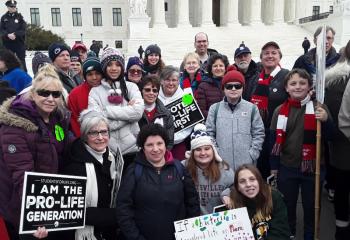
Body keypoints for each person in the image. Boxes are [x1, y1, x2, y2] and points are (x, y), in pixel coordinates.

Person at [0, 64, 71, 239]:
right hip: (21, 204)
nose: (50, 99)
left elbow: (64, 145)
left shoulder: (57, 118)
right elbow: (21, 173)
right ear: (32, 93)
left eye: (56, 94)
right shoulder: (15, 125)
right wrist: (35, 214)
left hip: (48, 198)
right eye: (44, 93)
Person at [269, 69, 331, 240]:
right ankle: (289, 234)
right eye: (293, 83)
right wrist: (274, 168)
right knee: (288, 206)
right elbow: (273, 142)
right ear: (287, 88)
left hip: (313, 168)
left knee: (311, 207)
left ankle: (310, 235)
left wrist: (326, 120)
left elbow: (331, 137)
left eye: (302, 83)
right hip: (287, 167)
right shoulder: (279, 111)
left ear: (310, 86)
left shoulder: (319, 108)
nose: (298, 87)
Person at [116, 123, 200, 240]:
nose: (155, 149)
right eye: (150, 145)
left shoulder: (179, 168)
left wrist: (189, 232)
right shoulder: (134, 171)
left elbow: (192, 202)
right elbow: (123, 209)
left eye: (159, 143)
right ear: (143, 147)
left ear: (165, 144)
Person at [63, 109, 123, 240]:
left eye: (103, 132)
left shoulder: (113, 157)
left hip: (111, 231)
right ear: (85, 135)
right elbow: (74, 211)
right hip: (89, 233)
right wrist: (117, 215)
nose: (100, 137)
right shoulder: (74, 166)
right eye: (94, 133)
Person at [88, 47, 144, 170]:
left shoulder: (131, 87)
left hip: (133, 149)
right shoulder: (95, 92)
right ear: (104, 67)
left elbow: (138, 112)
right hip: (107, 151)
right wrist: (127, 114)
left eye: (118, 64)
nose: (114, 68)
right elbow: (98, 124)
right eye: (110, 65)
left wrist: (106, 112)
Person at [206, 69, 265, 171]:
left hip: (247, 165)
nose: (233, 89)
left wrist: (253, 154)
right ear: (223, 88)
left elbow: (259, 133)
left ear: (242, 88)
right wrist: (216, 153)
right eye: (229, 86)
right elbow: (209, 133)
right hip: (221, 164)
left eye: (237, 86)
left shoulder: (252, 108)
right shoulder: (214, 109)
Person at [250, 41, 289, 179]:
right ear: (261, 58)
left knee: (276, 171)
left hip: (278, 132)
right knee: (260, 170)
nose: (270, 56)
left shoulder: (287, 76)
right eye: (266, 53)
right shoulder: (255, 79)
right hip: (257, 132)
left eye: (274, 53)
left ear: (279, 57)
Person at [226, 164, 291, 240]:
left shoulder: (273, 196)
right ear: (238, 187)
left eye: (252, 179)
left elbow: (282, 232)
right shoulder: (232, 204)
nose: (248, 184)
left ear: (259, 181)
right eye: (242, 181)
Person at [183, 123, 234, 215]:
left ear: (213, 150)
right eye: (198, 149)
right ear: (192, 152)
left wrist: (228, 194)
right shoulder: (183, 168)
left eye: (207, 149)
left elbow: (237, 186)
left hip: (220, 219)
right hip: (193, 220)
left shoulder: (224, 169)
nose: (203, 153)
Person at [328, 41, 350, 239]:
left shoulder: (334, 80)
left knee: (342, 190)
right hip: (343, 145)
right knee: (343, 189)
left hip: (340, 146)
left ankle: (341, 228)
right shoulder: (338, 81)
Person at [158, 65, 193, 160]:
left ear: (178, 81)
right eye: (167, 80)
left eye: (174, 80)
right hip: (157, 145)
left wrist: (172, 139)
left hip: (178, 145)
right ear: (161, 81)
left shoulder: (187, 98)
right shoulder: (154, 96)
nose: (171, 83)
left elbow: (189, 125)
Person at [68, 56, 104, 137]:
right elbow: (74, 120)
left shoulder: (109, 90)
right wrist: (82, 139)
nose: (94, 77)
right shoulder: (75, 94)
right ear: (84, 76)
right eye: (90, 74)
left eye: (97, 73)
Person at [138, 75, 174, 148]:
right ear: (141, 91)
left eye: (155, 90)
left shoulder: (166, 114)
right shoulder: (134, 111)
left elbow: (169, 142)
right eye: (147, 90)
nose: (151, 93)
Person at [196, 53, 229, 118]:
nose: (218, 68)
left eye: (221, 65)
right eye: (215, 66)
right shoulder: (203, 86)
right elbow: (201, 110)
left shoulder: (231, 84)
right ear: (210, 68)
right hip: (211, 122)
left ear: (225, 68)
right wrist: (218, 116)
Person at [0, 0, 27, 72]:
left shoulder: (20, 17)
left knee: (21, 61)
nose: (13, 8)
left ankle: (25, 78)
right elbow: (1, 30)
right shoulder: (3, 18)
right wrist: (8, 35)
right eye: (11, 7)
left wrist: (15, 34)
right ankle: (7, 78)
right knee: (7, 61)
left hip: (19, 43)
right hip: (8, 44)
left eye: (14, 6)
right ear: (8, 7)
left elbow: (23, 30)